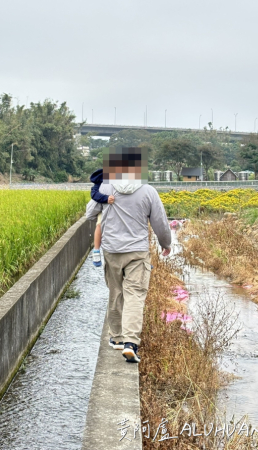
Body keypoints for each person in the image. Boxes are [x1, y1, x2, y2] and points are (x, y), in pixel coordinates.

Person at [85, 146, 171, 363]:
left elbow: (89, 213)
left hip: (112, 251)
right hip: (137, 252)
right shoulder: (148, 190)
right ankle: (131, 343)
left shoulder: (105, 187)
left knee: (116, 292)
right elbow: (160, 222)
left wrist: (105, 203)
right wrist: (166, 243)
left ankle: (116, 338)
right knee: (134, 294)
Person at [89, 169, 114, 267]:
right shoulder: (103, 177)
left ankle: (143, 257)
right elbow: (94, 193)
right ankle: (96, 250)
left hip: (122, 209)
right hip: (105, 207)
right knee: (99, 224)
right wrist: (106, 198)